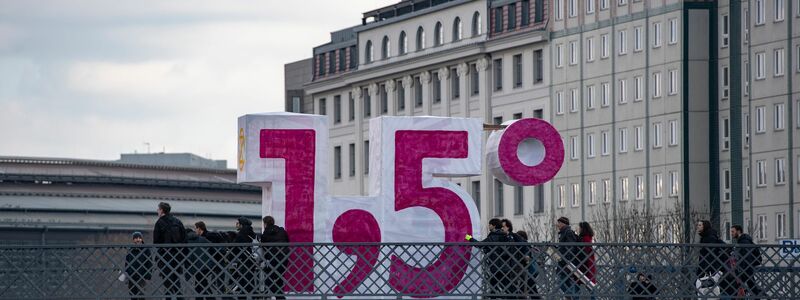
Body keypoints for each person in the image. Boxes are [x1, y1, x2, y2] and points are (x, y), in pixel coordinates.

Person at [466, 218, 511, 299]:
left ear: (494, 225)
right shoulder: (504, 235)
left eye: (489, 225)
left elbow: (480, 245)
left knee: (495, 284)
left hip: (495, 264)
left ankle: (495, 296)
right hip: (506, 264)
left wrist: (469, 238)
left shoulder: (493, 236)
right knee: (503, 285)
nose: (488, 226)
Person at [152, 202, 187, 300]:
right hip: (177, 256)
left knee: (167, 281)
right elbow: (184, 238)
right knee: (176, 280)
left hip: (165, 257)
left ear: (162, 210)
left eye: (158, 209)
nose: (157, 211)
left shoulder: (159, 223)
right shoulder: (177, 221)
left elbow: (156, 241)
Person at [696, 220, 728, 297]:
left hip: (709, 267)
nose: (698, 226)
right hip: (709, 266)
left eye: (700, 225)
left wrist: (706, 269)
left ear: (704, 226)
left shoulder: (709, 238)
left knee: (705, 288)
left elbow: (710, 254)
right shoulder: (708, 236)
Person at [194, 221, 226, 296]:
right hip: (215, 262)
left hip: (214, 262)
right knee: (201, 279)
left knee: (200, 278)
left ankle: (207, 297)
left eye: (195, 228)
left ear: (199, 228)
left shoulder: (207, 237)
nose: (195, 231)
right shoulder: (208, 235)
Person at [261, 216, 290, 300]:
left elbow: (264, 248)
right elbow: (287, 242)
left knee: (268, 280)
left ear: (265, 224)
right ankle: (279, 297)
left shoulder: (265, 234)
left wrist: (267, 258)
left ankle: (280, 297)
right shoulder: (282, 231)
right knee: (279, 279)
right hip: (284, 258)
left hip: (273, 259)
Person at [730, 225, 763, 298]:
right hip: (747, 267)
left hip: (745, 268)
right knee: (751, 286)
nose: (731, 233)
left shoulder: (744, 242)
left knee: (734, 286)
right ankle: (759, 296)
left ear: (738, 231)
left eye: (733, 231)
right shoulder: (745, 240)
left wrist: (741, 269)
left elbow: (746, 256)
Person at [230, 217, 257, 299]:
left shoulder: (241, 234)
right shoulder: (252, 233)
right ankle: (255, 296)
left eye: (237, 223)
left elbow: (234, 249)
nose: (236, 225)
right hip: (253, 259)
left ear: (242, 224)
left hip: (244, 261)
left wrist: (228, 258)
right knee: (248, 281)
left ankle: (253, 296)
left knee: (244, 283)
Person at [186, 228, 213, 300]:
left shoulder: (186, 241)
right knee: (201, 283)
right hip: (207, 265)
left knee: (202, 284)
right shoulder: (202, 238)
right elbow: (212, 246)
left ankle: (210, 298)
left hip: (197, 266)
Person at [556, 217, 580, 299]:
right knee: (565, 281)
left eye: (559, 223)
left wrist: (566, 259)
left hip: (566, 262)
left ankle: (571, 296)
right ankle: (571, 296)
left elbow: (571, 247)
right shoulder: (564, 233)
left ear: (563, 223)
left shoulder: (568, 232)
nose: (557, 225)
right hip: (564, 261)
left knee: (561, 281)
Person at [125, 232, 152, 300]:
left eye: (139, 238)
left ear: (142, 239)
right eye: (136, 238)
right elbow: (127, 262)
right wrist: (127, 273)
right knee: (132, 295)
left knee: (141, 295)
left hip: (142, 275)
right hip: (132, 275)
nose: (138, 239)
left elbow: (149, 263)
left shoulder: (146, 249)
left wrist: (148, 274)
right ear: (133, 240)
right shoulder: (130, 250)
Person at [515, 230, 540, 299]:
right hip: (532, 270)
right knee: (530, 288)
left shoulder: (524, 245)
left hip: (529, 270)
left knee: (528, 289)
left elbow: (527, 257)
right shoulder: (528, 245)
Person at [577, 222, 597, 287]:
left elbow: (585, 251)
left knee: (588, 283)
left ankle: (592, 297)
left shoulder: (586, 238)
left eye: (580, 228)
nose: (579, 229)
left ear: (583, 229)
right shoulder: (588, 237)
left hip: (586, 263)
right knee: (588, 283)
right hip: (587, 262)